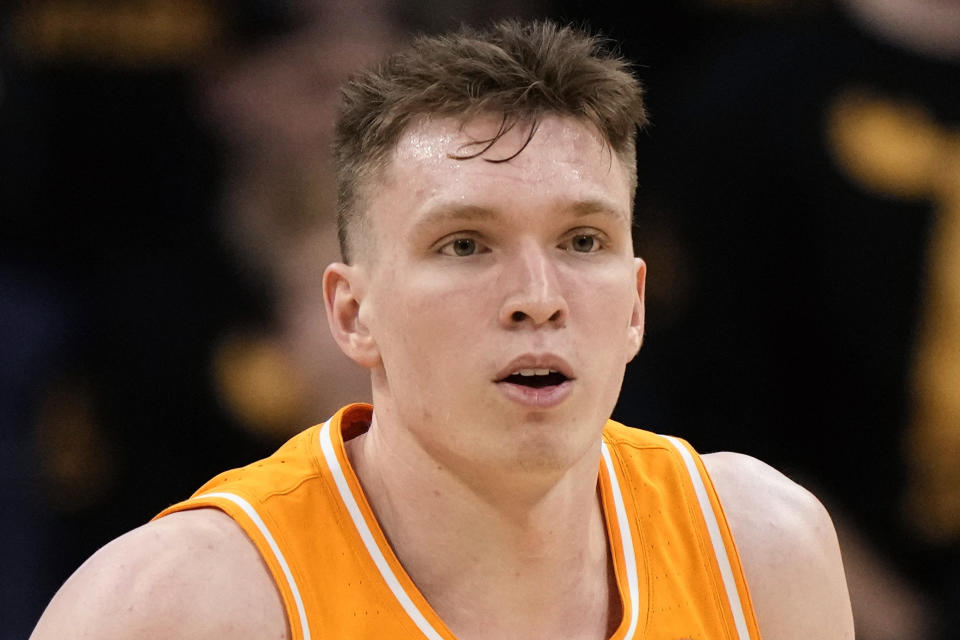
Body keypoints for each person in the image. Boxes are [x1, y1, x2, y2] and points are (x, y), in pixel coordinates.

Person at [30, 20, 855, 640]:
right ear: (354, 314)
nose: (539, 296)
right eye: (465, 244)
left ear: (636, 303)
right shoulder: (181, 606)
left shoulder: (758, 550)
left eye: (583, 241)